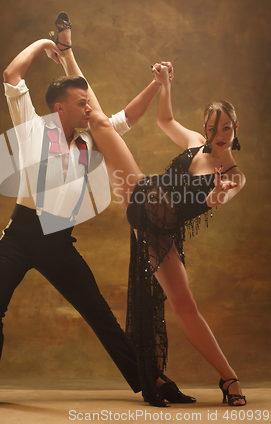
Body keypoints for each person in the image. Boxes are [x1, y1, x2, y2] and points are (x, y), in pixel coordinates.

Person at [0, 13, 194, 408]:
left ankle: (153, 382)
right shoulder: (32, 125)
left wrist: (157, 85)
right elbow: (10, 75)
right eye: (82, 101)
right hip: (19, 235)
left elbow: (129, 116)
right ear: (59, 107)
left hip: (57, 241)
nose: (90, 106)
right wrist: (42, 43)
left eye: (89, 101)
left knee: (100, 315)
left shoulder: (90, 137)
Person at [87, 60, 247, 407]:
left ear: (236, 127)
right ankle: (69, 58)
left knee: (185, 306)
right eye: (211, 128)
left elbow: (217, 198)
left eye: (225, 129)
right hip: (141, 195)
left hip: (160, 231)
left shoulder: (234, 173)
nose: (217, 136)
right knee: (100, 125)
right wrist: (164, 85)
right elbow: (165, 121)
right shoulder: (193, 142)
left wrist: (219, 191)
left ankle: (229, 379)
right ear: (205, 128)